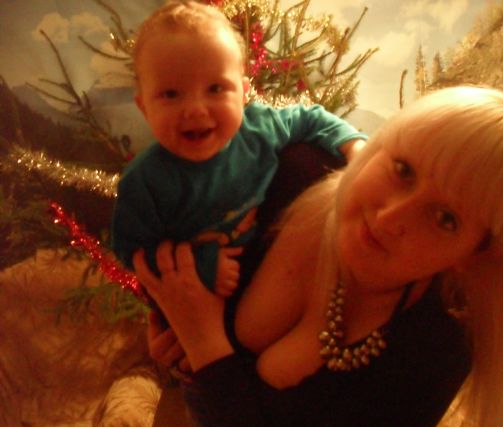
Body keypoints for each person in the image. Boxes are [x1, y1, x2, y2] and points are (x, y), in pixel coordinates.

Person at [135, 86, 503, 427]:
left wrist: (204, 343)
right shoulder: (287, 172)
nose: (390, 217)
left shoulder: (439, 342)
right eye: (403, 169)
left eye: (445, 218)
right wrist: (175, 337)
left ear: (472, 256)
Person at [111, 0, 366, 299]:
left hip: (268, 264)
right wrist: (202, 266)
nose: (195, 109)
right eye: (170, 94)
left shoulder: (260, 129)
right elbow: (132, 252)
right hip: (202, 292)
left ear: (244, 93)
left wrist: (355, 146)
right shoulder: (144, 183)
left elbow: (311, 119)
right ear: (144, 107)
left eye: (215, 89)